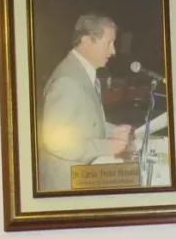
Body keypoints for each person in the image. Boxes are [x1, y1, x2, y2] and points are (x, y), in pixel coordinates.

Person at [38, 14, 133, 192]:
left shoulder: (81, 70)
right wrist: (107, 146)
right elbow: (55, 141)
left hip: (78, 175)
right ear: (87, 41)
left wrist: (112, 130)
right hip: (65, 184)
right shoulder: (68, 81)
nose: (113, 51)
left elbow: (83, 120)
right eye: (108, 43)